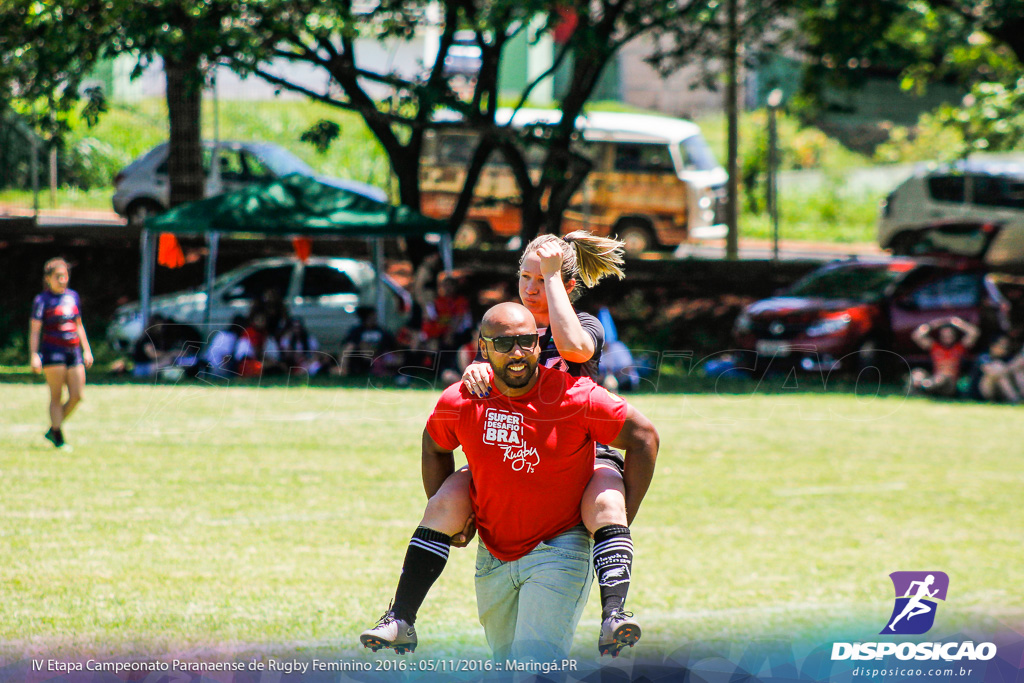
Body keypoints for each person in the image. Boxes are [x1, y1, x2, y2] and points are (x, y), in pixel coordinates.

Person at [361, 232, 643, 656]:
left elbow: (571, 348)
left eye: (542, 279)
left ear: (566, 286)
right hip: (511, 448)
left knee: (605, 502)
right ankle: (400, 617)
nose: (531, 287)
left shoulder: (584, 325)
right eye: (525, 277)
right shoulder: (505, 327)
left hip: (572, 451)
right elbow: (480, 370)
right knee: (442, 503)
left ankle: (615, 614)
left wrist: (553, 278)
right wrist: (474, 370)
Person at [28, 257, 94, 449]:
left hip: (73, 351)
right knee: (56, 396)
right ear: (48, 278)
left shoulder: (72, 296)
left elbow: (78, 325)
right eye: (58, 276)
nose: (63, 280)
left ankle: (53, 428)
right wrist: (34, 354)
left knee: (77, 395)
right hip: (53, 352)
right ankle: (58, 437)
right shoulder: (42, 300)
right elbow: (35, 330)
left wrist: (87, 349)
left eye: (65, 276)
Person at [909, 316, 980, 397]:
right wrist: (935, 324)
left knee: (942, 379)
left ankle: (924, 388)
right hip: (935, 378)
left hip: (950, 384)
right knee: (917, 373)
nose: (947, 338)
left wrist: (958, 323)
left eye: (950, 335)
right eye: (944, 335)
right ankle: (922, 388)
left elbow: (975, 332)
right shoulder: (935, 347)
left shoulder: (960, 347)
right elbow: (916, 335)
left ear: (954, 335)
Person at [976, 335, 1024, 403]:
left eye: (1006, 347)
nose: (1004, 349)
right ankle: (1015, 399)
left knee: (1015, 373)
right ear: (993, 346)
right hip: (984, 390)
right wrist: (1010, 367)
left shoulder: (1006, 358)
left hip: (1001, 390)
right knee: (998, 366)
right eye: (1001, 346)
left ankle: (1016, 398)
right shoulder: (984, 356)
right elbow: (989, 370)